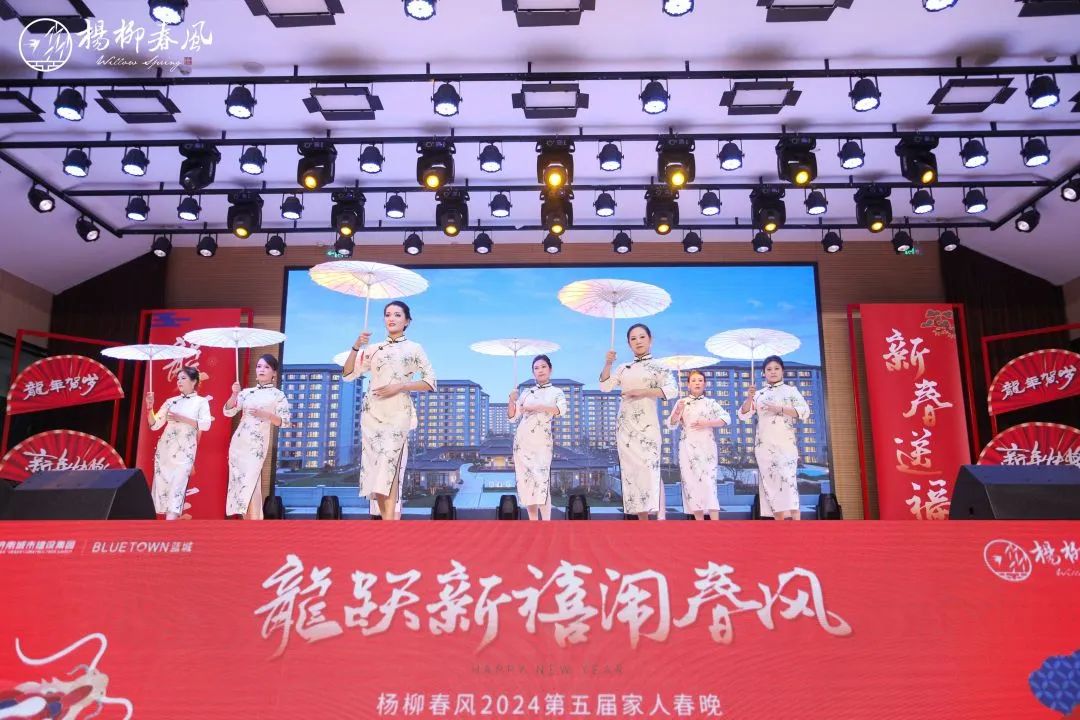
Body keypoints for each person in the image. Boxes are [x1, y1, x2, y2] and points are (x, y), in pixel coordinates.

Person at [343, 301, 436, 521]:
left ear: (407, 321)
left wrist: (400, 386)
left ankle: (389, 522)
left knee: (389, 465)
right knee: (375, 468)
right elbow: (347, 374)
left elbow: (430, 381)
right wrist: (356, 346)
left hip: (398, 412)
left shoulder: (414, 348)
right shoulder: (373, 349)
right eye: (387, 314)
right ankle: (388, 521)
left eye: (397, 315)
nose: (391, 318)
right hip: (372, 413)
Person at [599, 323, 678, 520]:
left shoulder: (659, 366)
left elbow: (672, 390)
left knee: (650, 469)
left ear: (650, 340)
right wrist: (608, 363)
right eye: (633, 339)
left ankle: (659, 517)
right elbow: (605, 387)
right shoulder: (623, 368)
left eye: (642, 337)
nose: (638, 341)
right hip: (626, 427)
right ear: (628, 344)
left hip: (648, 426)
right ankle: (642, 521)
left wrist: (642, 392)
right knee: (632, 472)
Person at [737, 355, 810, 520]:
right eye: (769, 369)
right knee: (771, 485)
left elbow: (804, 412)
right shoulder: (759, 394)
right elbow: (743, 414)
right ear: (764, 373)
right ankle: (779, 524)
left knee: (788, 481)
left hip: (785, 444)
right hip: (764, 445)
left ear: (782, 370)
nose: (773, 372)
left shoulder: (791, 391)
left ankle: (797, 524)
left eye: (776, 368)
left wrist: (779, 408)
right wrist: (749, 397)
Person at [223, 354, 291, 520]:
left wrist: (266, 415)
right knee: (239, 480)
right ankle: (246, 518)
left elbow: (284, 422)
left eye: (266, 367)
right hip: (239, 441)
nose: (262, 369)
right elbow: (228, 412)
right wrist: (234, 394)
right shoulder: (246, 393)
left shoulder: (278, 395)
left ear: (274, 373)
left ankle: (254, 520)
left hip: (257, 443)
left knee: (252, 478)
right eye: (259, 366)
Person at [145, 366, 212, 520]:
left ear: (194, 381)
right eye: (178, 378)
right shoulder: (171, 402)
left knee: (177, 488)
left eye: (183, 378)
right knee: (164, 487)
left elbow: (206, 424)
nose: (179, 381)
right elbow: (155, 425)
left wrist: (181, 418)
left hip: (185, 452)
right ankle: (167, 525)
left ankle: (170, 524)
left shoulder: (201, 402)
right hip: (165, 450)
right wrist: (150, 408)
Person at [508, 354, 568, 521]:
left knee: (542, 483)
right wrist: (511, 399)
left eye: (543, 367)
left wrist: (540, 406)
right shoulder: (526, 392)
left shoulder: (556, 392)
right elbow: (513, 417)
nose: (540, 370)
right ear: (533, 372)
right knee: (527, 485)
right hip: (522, 443)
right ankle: (533, 524)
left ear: (550, 369)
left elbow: (561, 410)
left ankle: (546, 524)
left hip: (542, 444)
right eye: (536, 368)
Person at [666, 369, 730, 521]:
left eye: (700, 380)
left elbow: (726, 419)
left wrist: (707, 423)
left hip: (707, 447)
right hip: (687, 447)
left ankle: (715, 522)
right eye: (693, 380)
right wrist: (678, 411)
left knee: (709, 483)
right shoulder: (681, 403)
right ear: (688, 385)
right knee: (691, 483)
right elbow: (671, 424)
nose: (697, 383)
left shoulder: (711, 403)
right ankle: (699, 522)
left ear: (705, 384)